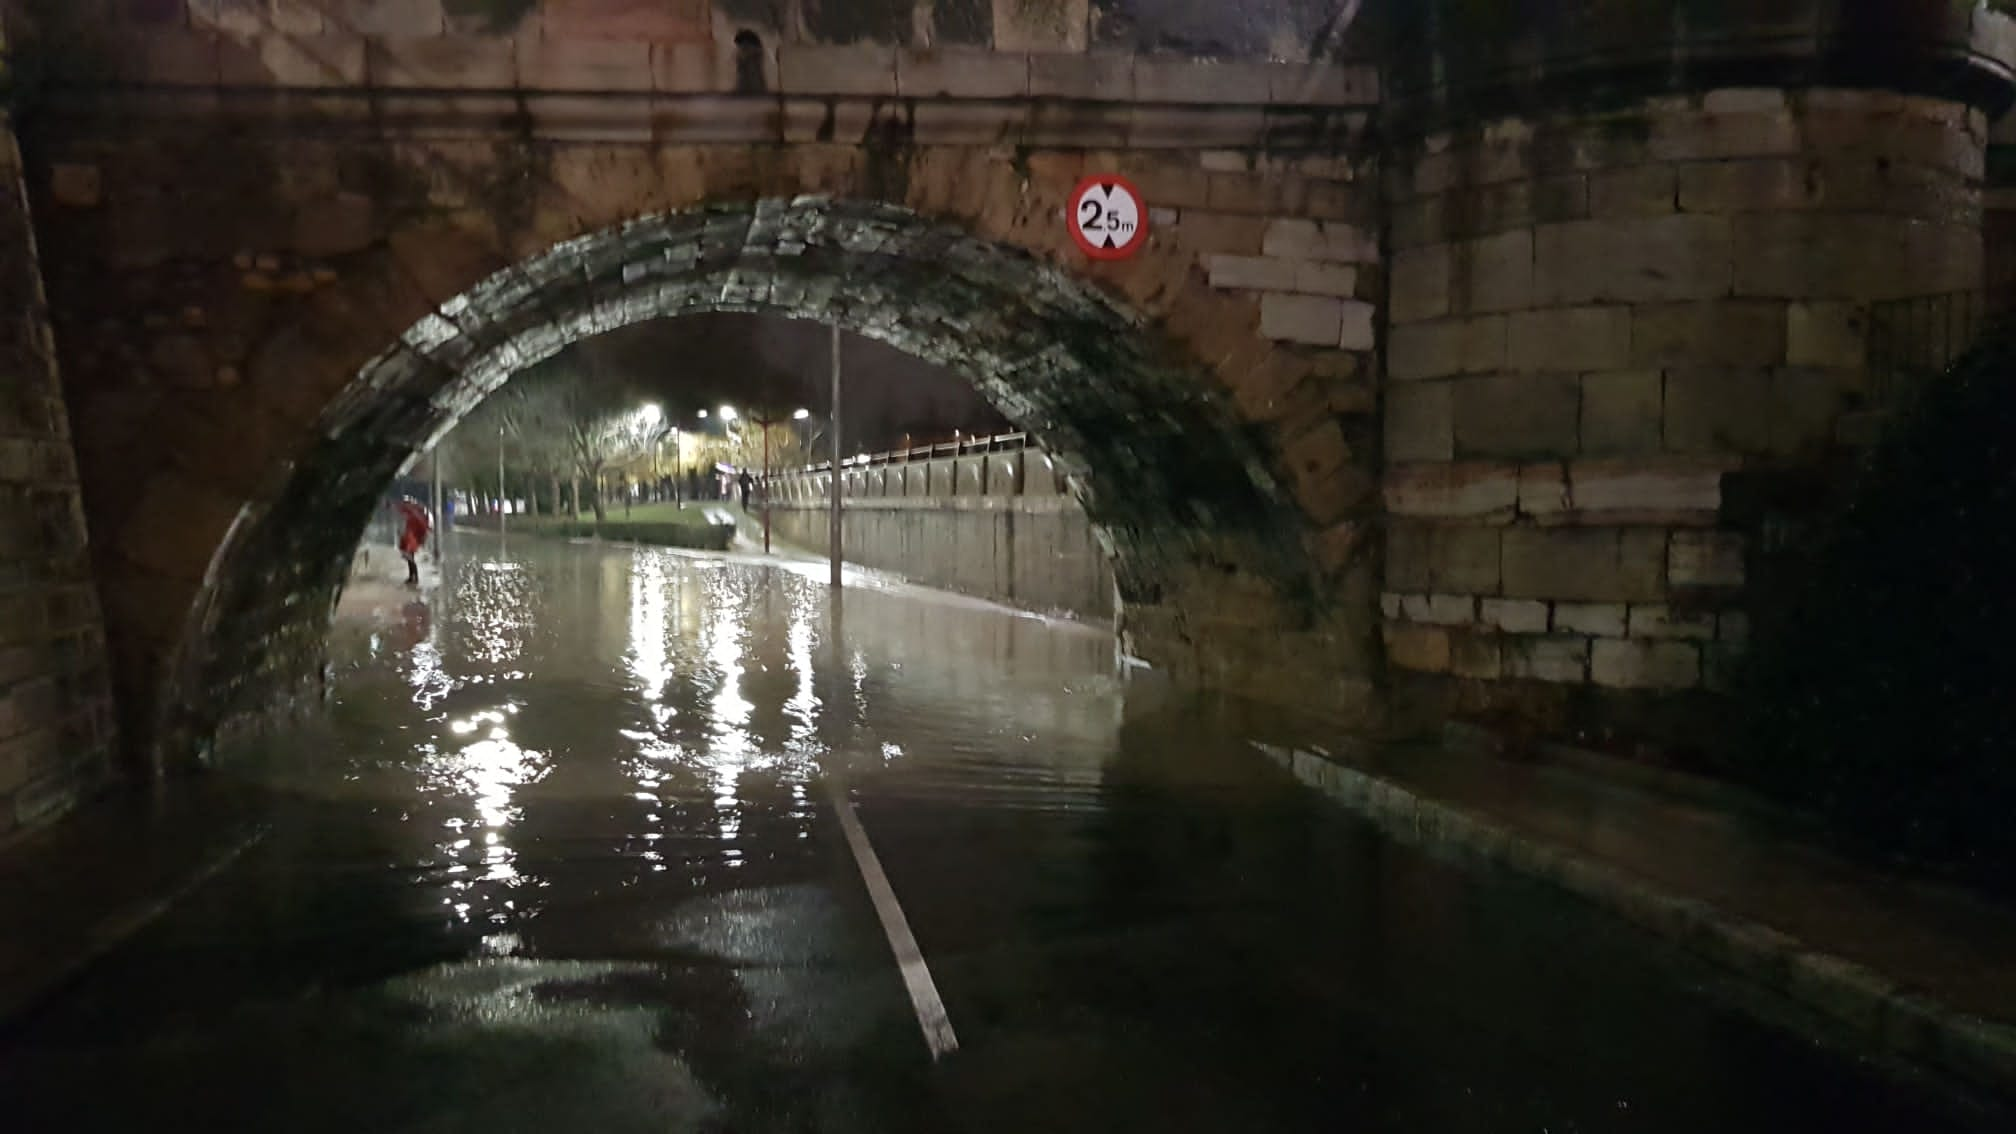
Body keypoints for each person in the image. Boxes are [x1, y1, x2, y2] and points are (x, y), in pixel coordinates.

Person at [395, 495, 431, 586]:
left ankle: (415, 577)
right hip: (409, 538)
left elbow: (423, 528)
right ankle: (412, 576)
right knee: (409, 558)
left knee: (409, 557)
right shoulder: (410, 515)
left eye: (407, 504)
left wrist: (422, 538)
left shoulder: (415, 515)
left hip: (412, 540)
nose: (406, 506)